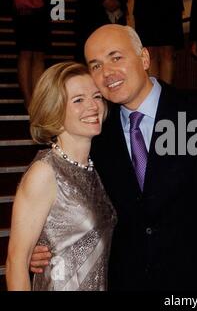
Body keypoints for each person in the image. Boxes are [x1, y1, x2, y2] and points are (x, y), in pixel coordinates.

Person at [29, 25, 197, 291]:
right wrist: (45, 247)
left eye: (116, 57)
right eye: (96, 65)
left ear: (145, 58)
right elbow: (76, 201)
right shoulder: (96, 134)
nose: (107, 73)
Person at [6, 62, 117, 291]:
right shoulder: (45, 173)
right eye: (78, 100)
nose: (93, 106)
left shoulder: (94, 168)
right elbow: (16, 262)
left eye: (96, 96)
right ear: (54, 109)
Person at [128, 0, 184, 84]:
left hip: (169, 1)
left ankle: (166, 93)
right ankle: (154, 92)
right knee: (150, 53)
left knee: (167, 51)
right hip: (145, 2)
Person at [12, 0, 50, 109]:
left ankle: (36, 97)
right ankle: (28, 99)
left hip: (41, 9)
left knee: (39, 55)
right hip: (24, 10)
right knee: (26, 53)